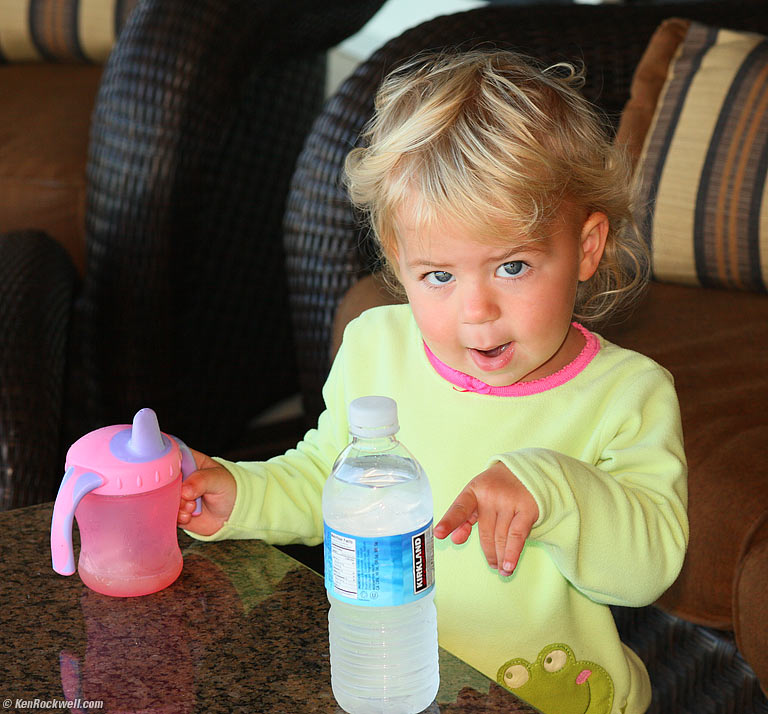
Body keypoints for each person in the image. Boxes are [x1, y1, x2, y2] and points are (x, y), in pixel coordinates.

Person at [177, 50, 688, 714]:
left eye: (512, 267)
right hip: (396, 686)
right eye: (439, 276)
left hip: (557, 697)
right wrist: (236, 492)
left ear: (586, 247)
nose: (476, 312)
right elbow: (327, 483)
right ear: (398, 262)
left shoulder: (627, 395)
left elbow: (647, 569)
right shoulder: (377, 347)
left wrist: (554, 487)